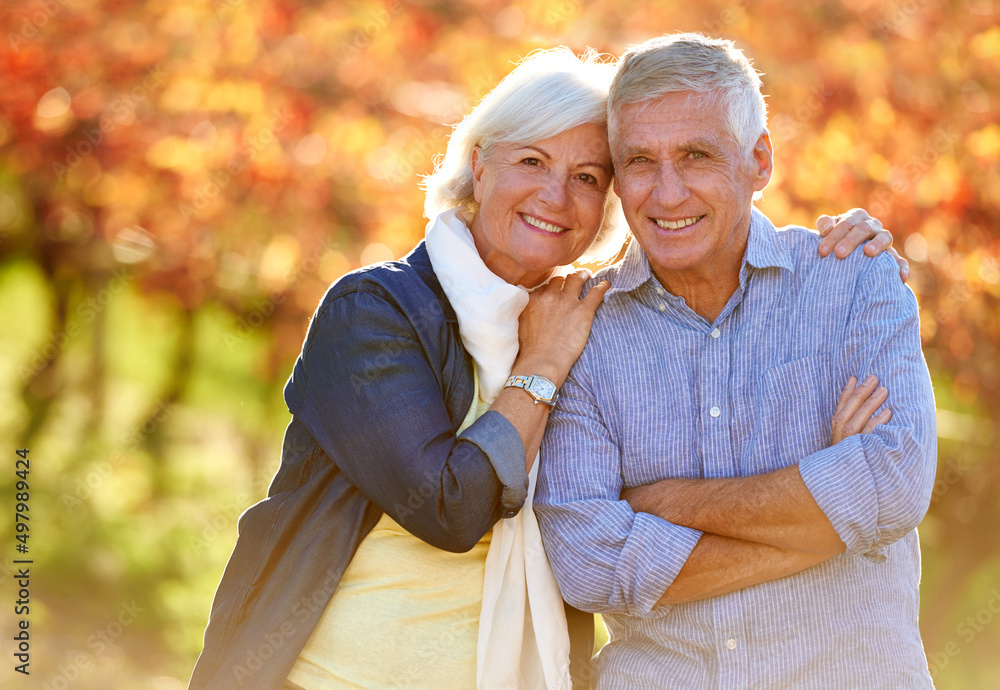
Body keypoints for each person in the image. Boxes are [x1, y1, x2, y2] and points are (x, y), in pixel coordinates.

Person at [188, 47, 900, 690]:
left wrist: (856, 256)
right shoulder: (376, 312)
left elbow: (614, 532)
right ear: (479, 164)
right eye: (532, 161)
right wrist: (825, 527)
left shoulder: (588, 318)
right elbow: (453, 507)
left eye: (588, 176)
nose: (556, 197)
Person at [534, 33, 937, 688]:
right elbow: (590, 565)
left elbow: (893, 483)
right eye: (639, 160)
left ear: (759, 161)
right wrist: (827, 514)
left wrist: (667, 503)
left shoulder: (853, 280)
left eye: (696, 156)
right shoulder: (583, 328)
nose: (666, 194)